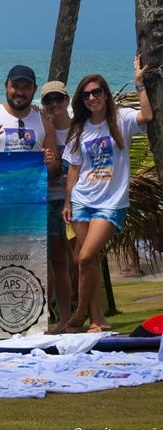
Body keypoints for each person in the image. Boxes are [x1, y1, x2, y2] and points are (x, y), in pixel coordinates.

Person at [50, 58, 153, 334]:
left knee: (84, 258)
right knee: (88, 260)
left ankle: (80, 312)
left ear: (105, 94)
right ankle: (98, 320)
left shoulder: (122, 119)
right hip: (82, 199)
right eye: (86, 95)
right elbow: (74, 168)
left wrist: (140, 83)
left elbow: (147, 116)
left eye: (96, 92)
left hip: (111, 203)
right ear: (81, 100)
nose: (92, 98)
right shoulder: (79, 129)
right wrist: (68, 202)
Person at [40, 81, 73, 326]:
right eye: (48, 100)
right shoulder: (40, 129)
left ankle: (72, 316)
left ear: (67, 100)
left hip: (74, 202)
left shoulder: (79, 129)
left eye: (58, 99)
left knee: (79, 260)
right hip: (45, 202)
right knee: (51, 261)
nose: (54, 105)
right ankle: (51, 316)